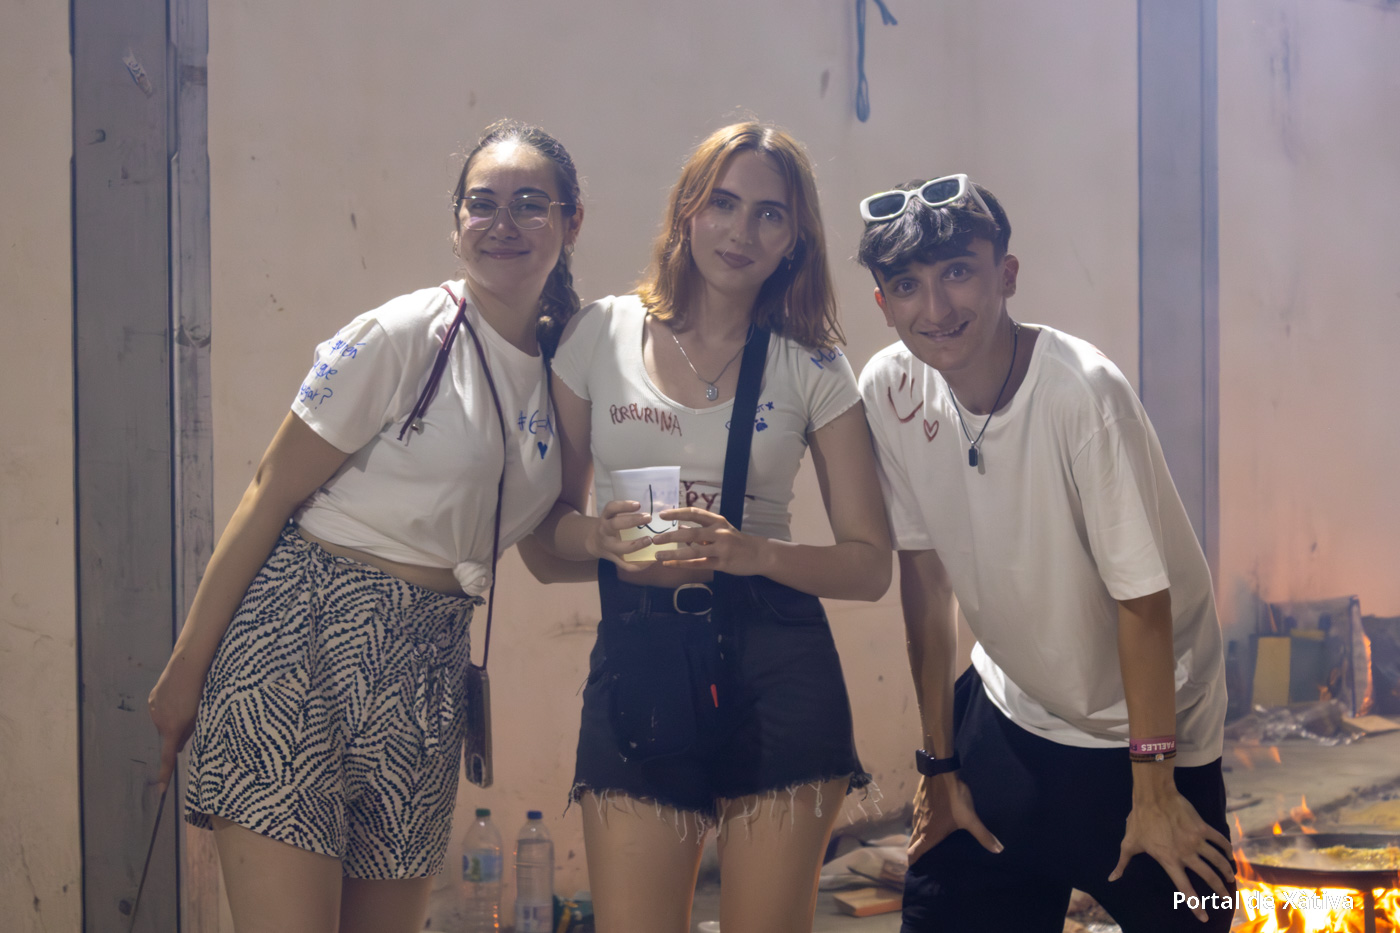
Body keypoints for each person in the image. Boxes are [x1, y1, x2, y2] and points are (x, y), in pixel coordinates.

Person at [145, 119, 586, 933]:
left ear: (571, 221)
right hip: (298, 649)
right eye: (482, 203)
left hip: (427, 674)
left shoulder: (567, 372)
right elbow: (269, 490)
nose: (504, 223)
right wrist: (184, 672)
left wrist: (635, 546)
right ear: (456, 222)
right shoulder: (402, 333)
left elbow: (546, 547)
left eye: (531, 203)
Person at [531, 122, 892, 933]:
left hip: (778, 664)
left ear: (795, 239)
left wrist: (752, 551)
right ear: (686, 212)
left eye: (770, 214)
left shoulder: (813, 363)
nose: (741, 231)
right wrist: (597, 539)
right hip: (641, 660)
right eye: (723, 203)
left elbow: (871, 565)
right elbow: (543, 540)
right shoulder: (599, 334)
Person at [853, 175, 1236, 932]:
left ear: (1007, 275)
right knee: (938, 914)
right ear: (883, 304)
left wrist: (1155, 793)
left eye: (958, 272)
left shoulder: (1082, 392)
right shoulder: (890, 387)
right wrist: (939, 766)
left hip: (1149, 736)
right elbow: (924, 581)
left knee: (1205, 911)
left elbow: (1142, 600)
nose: (936, 308)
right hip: (1009, 716)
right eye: (908, 286)